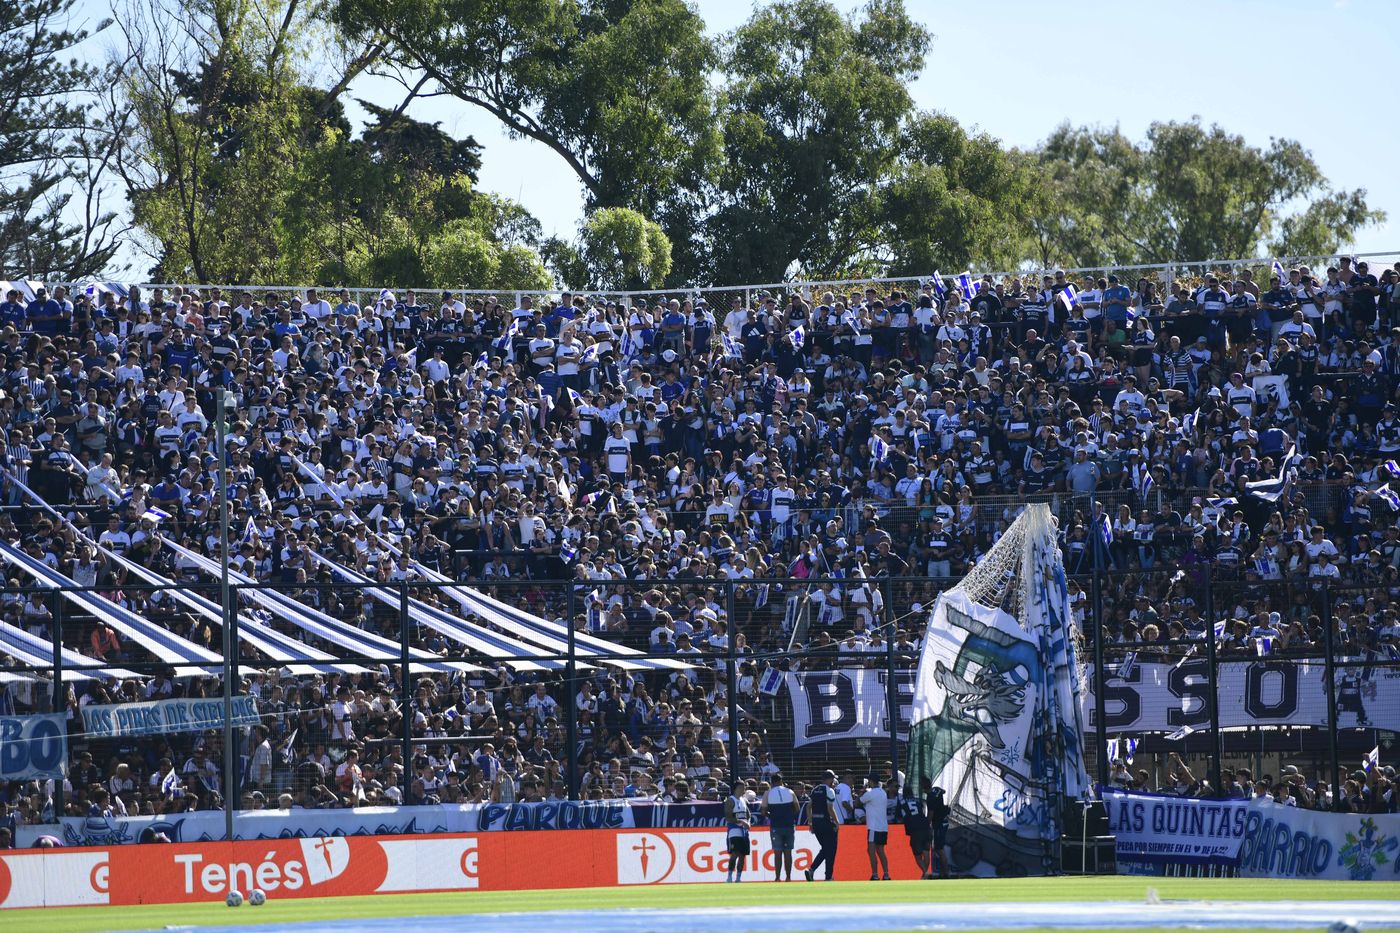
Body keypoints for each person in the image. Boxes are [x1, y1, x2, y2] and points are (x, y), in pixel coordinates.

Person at [762, 772, 798, 881]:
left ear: (771, 783)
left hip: (776, 826)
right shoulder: (790, 792)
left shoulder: (768, 793)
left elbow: (763, 811)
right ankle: (788, 877)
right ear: (781, 781)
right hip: (789, 825)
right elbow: (797, 808)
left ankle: (777, 878)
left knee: (777, 853)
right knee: (788, 852)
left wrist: (772, 815)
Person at [804, 769, 839, 881]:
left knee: (826, 849)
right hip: (827, 824)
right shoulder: (829, 790)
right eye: (832, 779)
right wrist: (837, 822)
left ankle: (812, 870)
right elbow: (830, 808)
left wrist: (810, 822)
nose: (833, 781)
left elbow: (808, 807)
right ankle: (827, 876)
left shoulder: (815, 790)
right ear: (829, 779)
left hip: (817, 825)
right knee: (831, 850)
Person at [860, 775, 892, 880]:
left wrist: (863, 791)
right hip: (883, 827)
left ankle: (875, 874)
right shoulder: (882, 792)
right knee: (881, 850)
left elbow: (857, 802)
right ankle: (886, 874)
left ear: (870, 782)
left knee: (871, 850)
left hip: (874, 827)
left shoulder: (870, 793)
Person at [898, 783, 931, 879]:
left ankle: (926, 872)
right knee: (926, 852)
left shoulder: (902, 803)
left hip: (916, 830)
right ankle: (925, 875)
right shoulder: (918, 801)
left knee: (917, 856)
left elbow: (899, 818)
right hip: (926, 827)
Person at [723, 782, 751, 883]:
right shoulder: (730, 800)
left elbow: (748, 814)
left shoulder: (743, 800)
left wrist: (748, 822)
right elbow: (728, 817)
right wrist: (741, 821)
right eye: (743, 787)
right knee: (735, 853)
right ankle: (729, 876)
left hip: (744, 831)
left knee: (743, 855)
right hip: (734, 830)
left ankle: (738, 878)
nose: (744, 789)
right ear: (737, 788)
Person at [926, 780, 951, 879]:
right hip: (943, 822)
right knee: (939, 848)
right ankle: (942, 872)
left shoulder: (930, 797)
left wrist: (926, 825)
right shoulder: (936, 790)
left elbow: (930, 814)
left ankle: (946, 873)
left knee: (939, 849)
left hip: (939, 824)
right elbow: (943, 791)